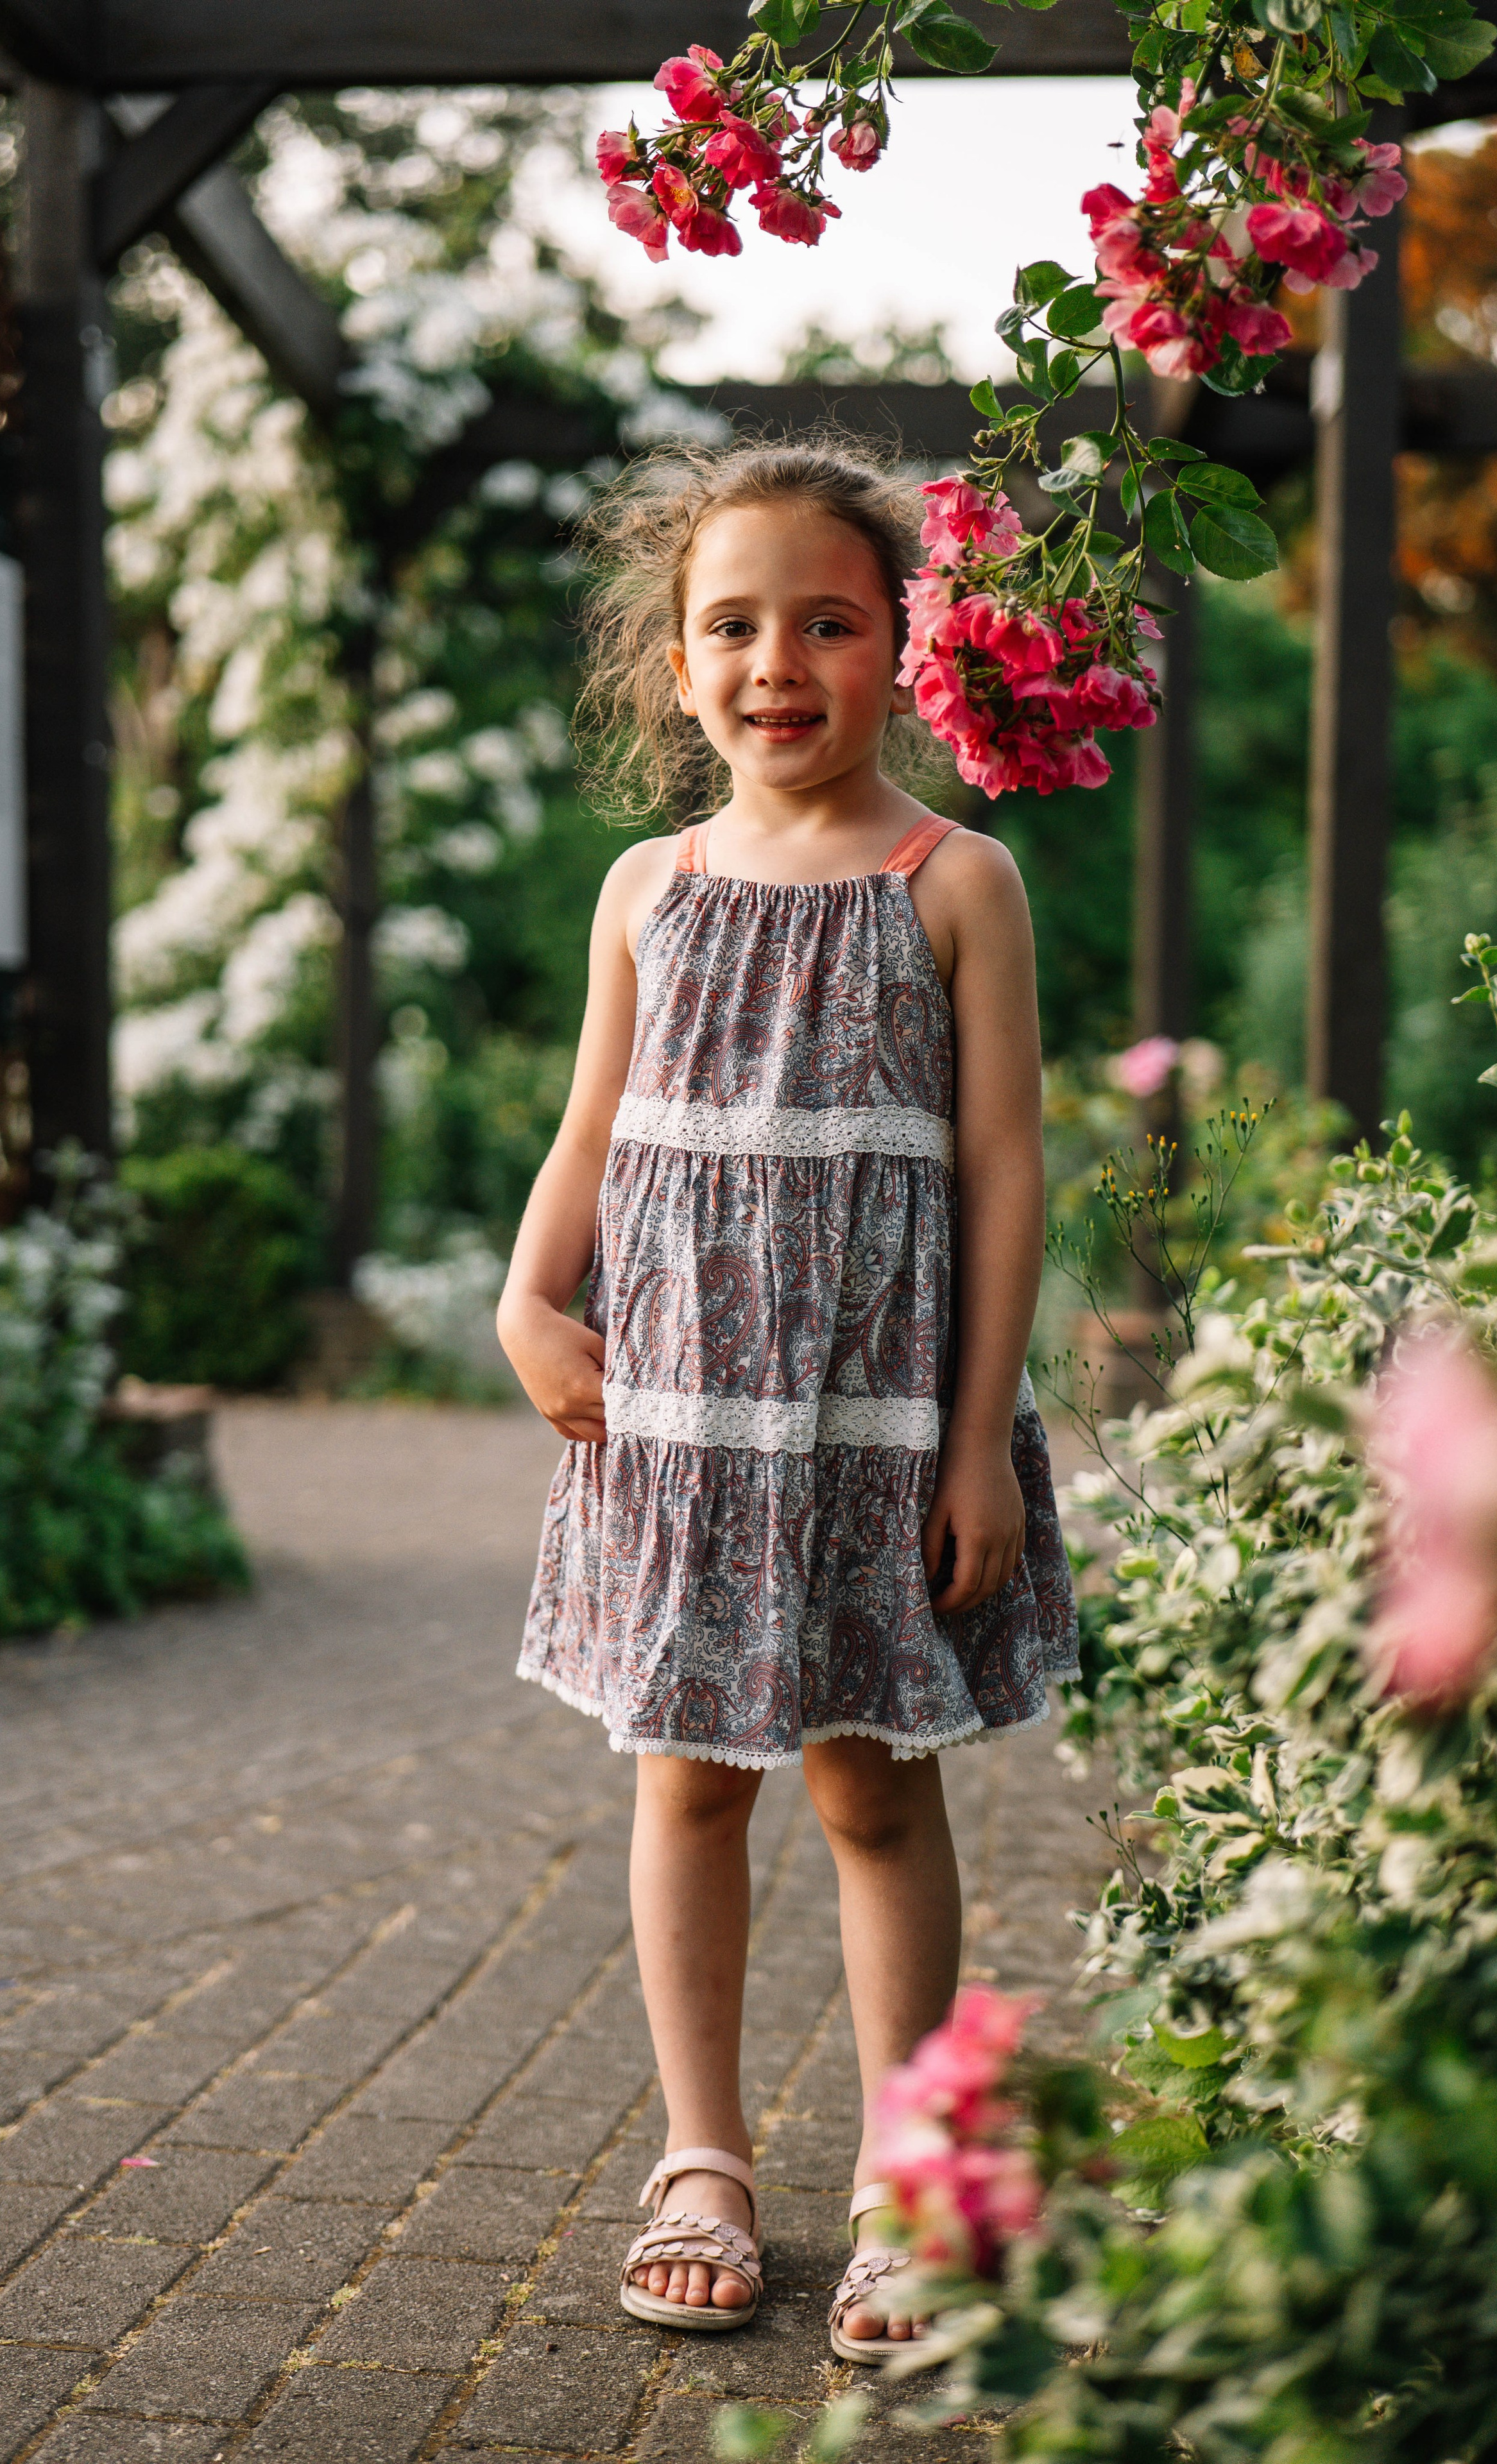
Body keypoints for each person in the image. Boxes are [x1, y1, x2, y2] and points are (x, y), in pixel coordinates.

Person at [497, 439, 1077, 2360]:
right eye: (733, 626)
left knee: (872, 1787)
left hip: (870, 1431)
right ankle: (704, 2162)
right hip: (676, 1428)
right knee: (687, 1782)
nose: (777, 663)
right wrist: (527, 1297)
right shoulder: (644, 887)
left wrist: (979, 1440)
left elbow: (1003, 1169)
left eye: (827, 622)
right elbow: (594, 1124)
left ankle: (912, 2180)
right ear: (676, 666)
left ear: (901, 647)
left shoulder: (956, 880)